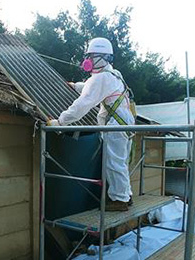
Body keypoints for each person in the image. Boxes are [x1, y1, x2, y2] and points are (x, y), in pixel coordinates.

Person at [48, 37, 135, 211]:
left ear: (103, 57)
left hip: (117, 124)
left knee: (114, 162)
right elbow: (92, 87)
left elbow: (83, 104)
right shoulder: (113, 74)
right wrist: (75, 86)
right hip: (125, 121)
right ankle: (126, 195)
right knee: (120, 161)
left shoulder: (101, 78)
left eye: (91, 56)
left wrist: (60, 121)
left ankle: (120, 200)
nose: (87, 61)